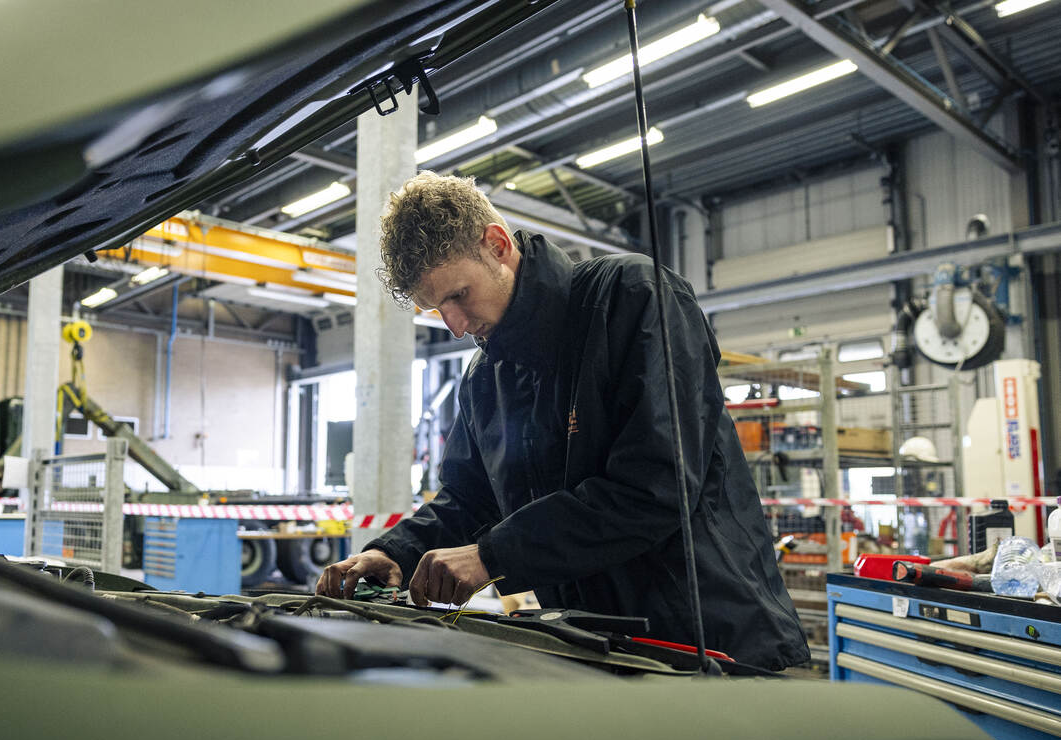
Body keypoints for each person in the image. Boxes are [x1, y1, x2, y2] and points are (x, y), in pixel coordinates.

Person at [316, 171, 809, 670]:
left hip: (711, 644)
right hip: (594, 644)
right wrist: (397, 551)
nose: (456, 326)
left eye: (459, 295)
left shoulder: (634, 298)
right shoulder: (486, 379)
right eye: (437, 308)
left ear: (497, 245)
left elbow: (655, 487)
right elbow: (470, 500)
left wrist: (492, 556)